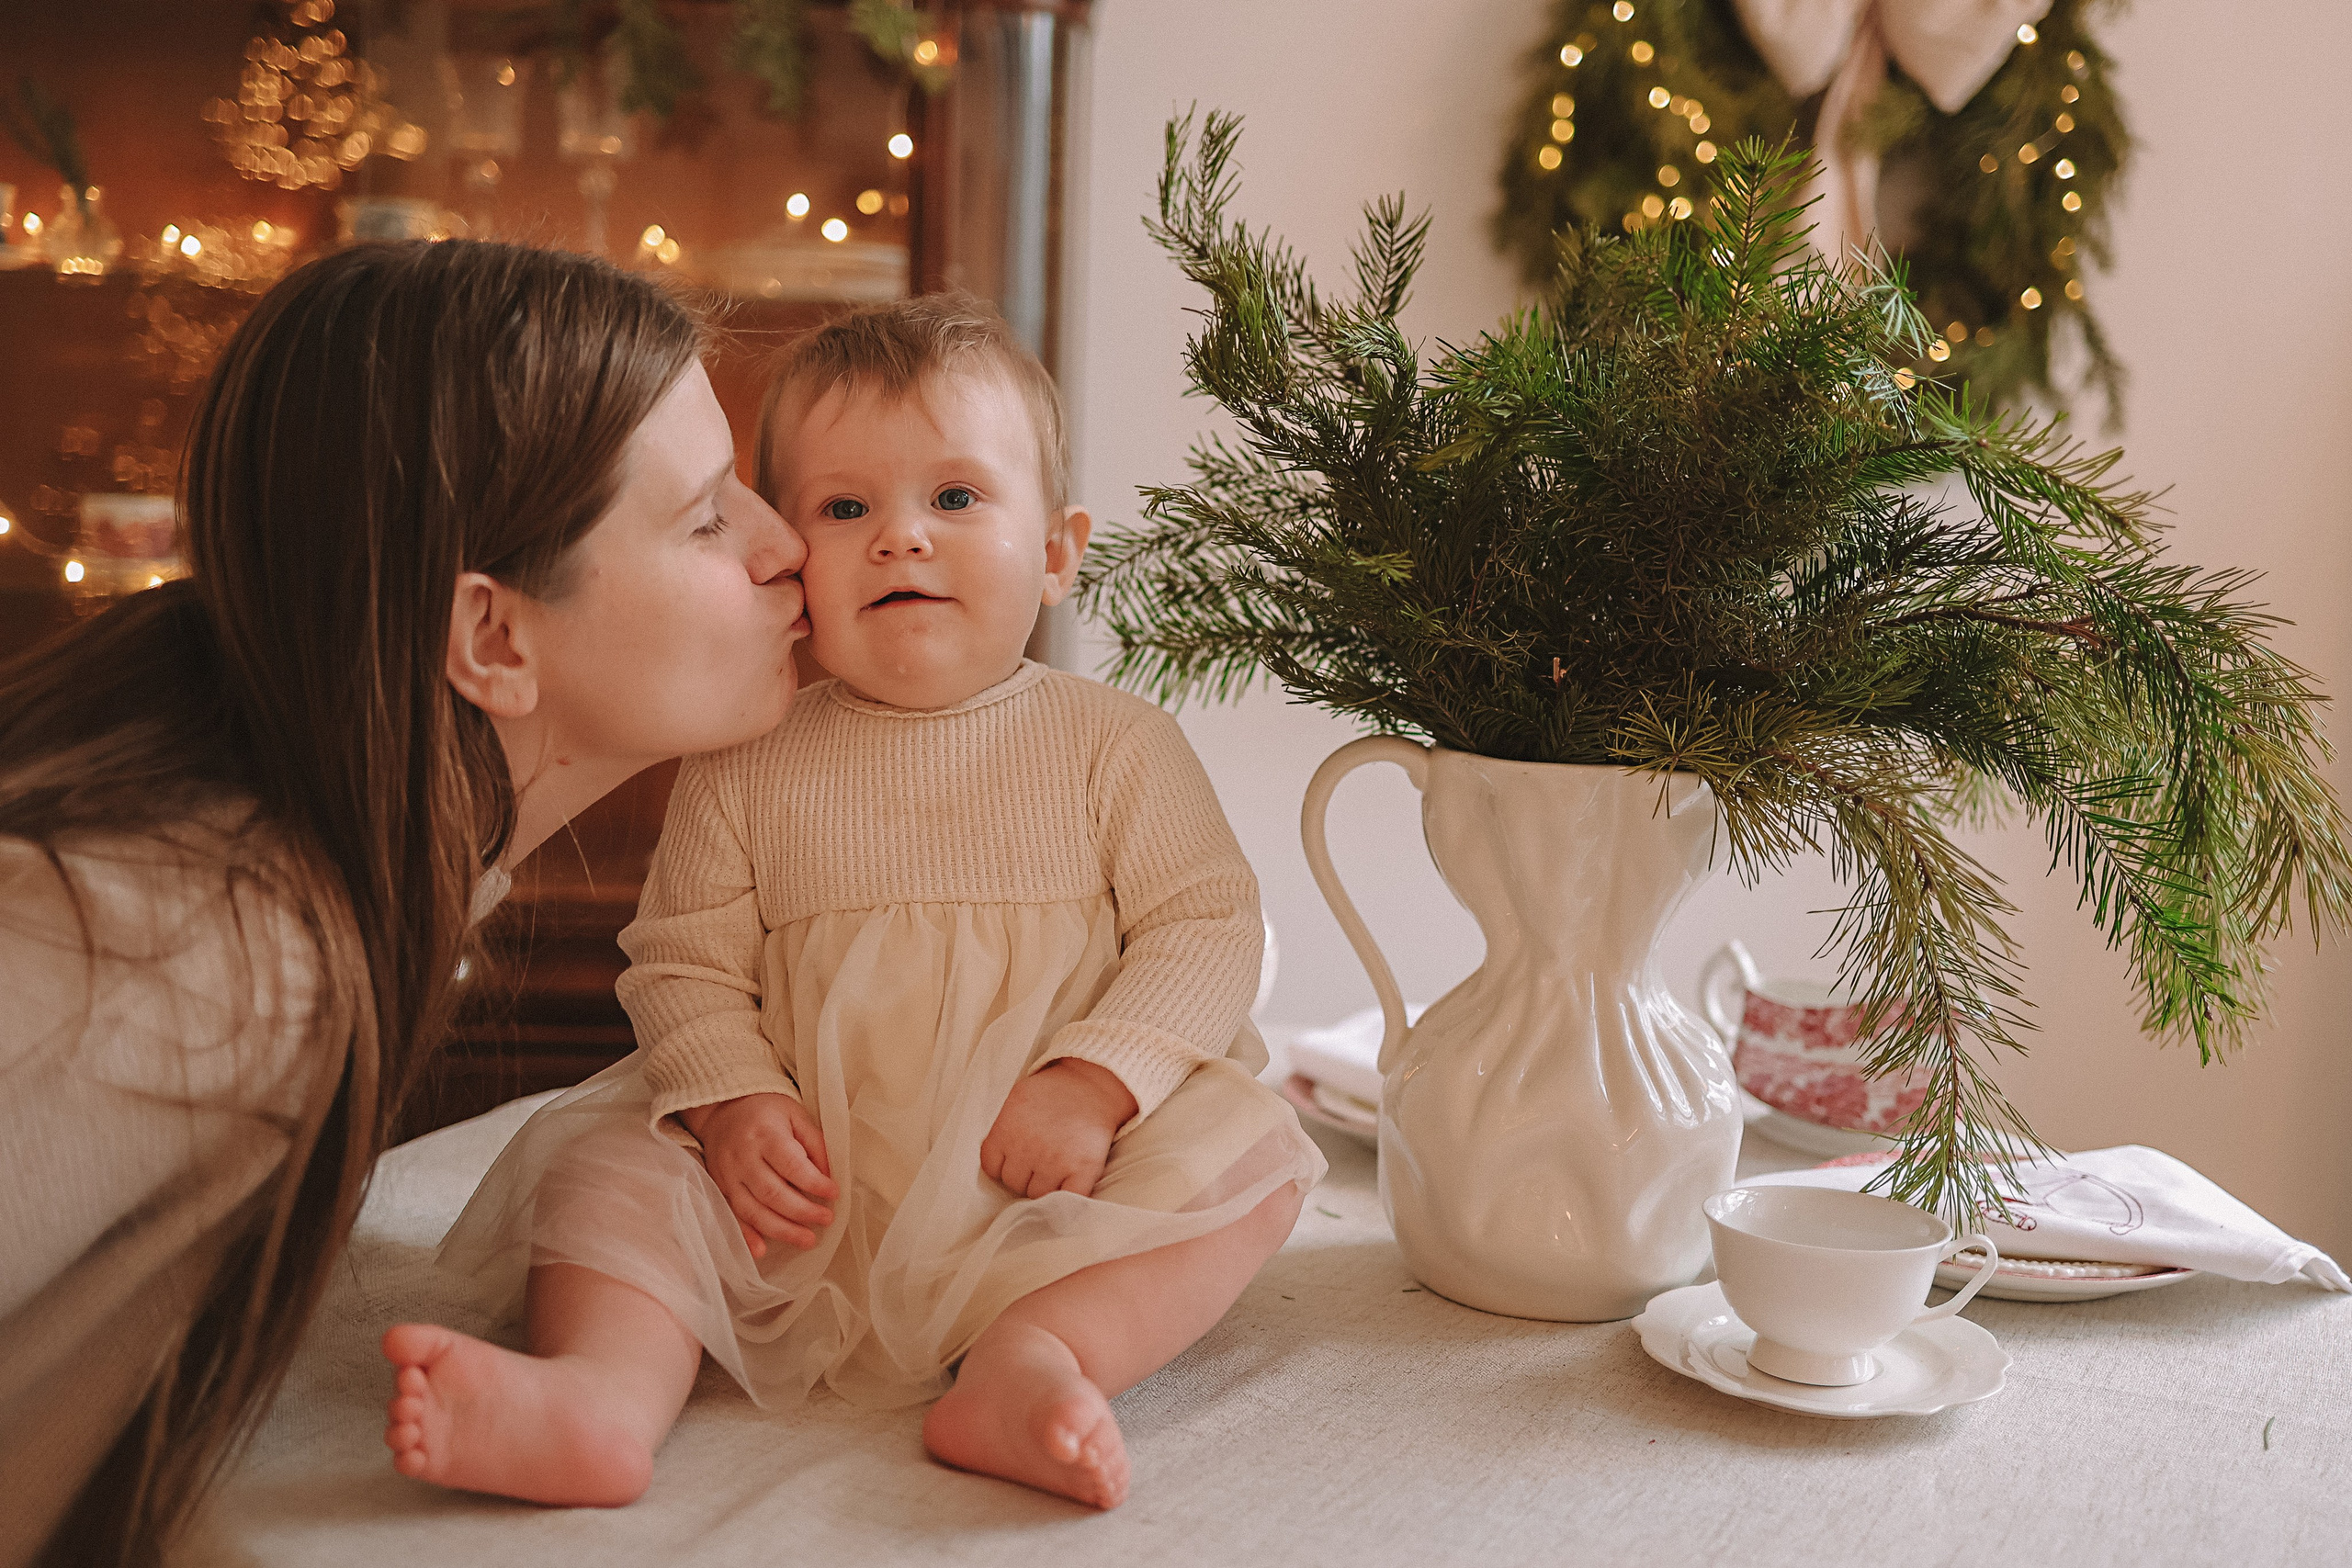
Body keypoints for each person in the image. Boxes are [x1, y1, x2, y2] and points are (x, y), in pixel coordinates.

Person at [387, 295, 1326, 1513]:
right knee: (610, 1166)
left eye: (955, 499)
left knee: (1250, 1157)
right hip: (799, 1198)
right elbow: (682, 964)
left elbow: (1208, 927)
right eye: (845, 509)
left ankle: (1035, 1358)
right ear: (786, 560)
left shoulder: (1115, 746)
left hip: (1042, 1185)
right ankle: (599, 1397)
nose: (900, 540)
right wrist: (731, 1100)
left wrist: (1096, 1082)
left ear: (1056, 551)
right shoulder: (748, 755)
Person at [0, 238, 808, 1568]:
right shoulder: (199, 945)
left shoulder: (315, 853)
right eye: (709, 518)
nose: (785, 548)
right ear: (492, 639)